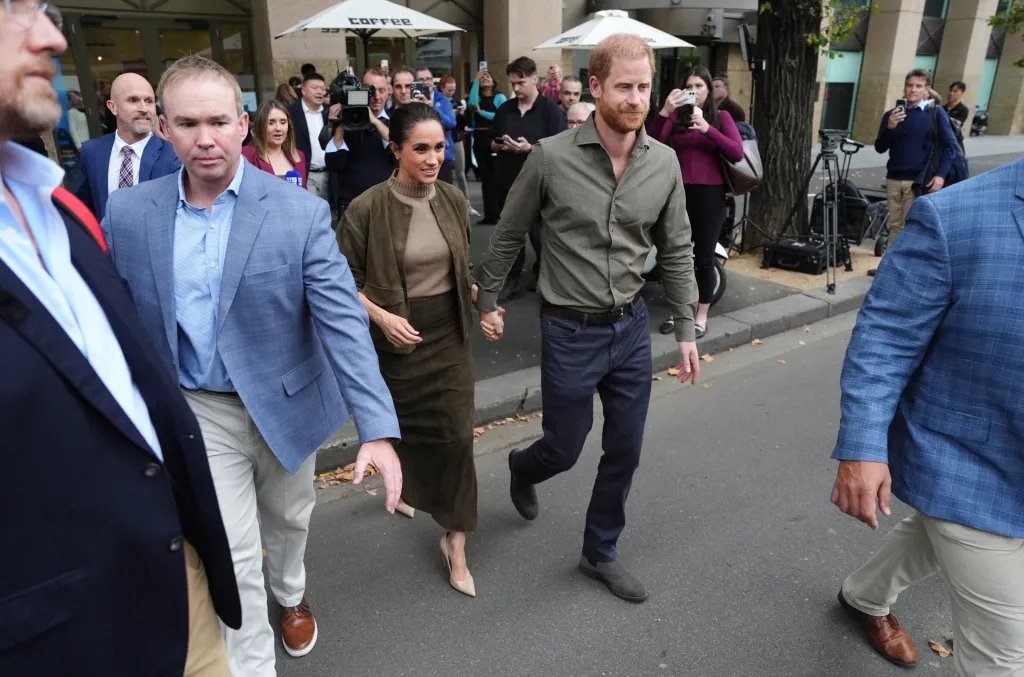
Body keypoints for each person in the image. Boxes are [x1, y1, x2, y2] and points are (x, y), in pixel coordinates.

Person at [100, 55, 403, 676]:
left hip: (288, 401)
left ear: (243, 125)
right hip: (200, 410)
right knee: (232, 554)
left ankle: (291, 593)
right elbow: (115, 322)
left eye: (217, 121)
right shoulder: (129, 216)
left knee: (291, 521)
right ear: (163, 127)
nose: (204, 138)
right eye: (187, 123)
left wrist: (377, 428)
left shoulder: (299, 212)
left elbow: (343, 320)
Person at [0, 6, 240, 675]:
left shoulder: (54, 205)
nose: (51, 37)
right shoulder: (105, 193)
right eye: (11, 11)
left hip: (176, 584)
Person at [474, 33, 700, 604]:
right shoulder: (551, 157)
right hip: (569, 330)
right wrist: (487, 299)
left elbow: (676, 249)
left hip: (630, 330)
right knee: (565, 446)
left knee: (625, 447)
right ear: (595, 86)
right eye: (623, 86)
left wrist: (686, 330)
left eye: (644, 87)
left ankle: (600, 551)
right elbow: (509, 232)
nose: (635, 98)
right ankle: (524, 467)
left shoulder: (665, 163)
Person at [830, 158, 1024, 674]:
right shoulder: (953, 217)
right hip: (969, 462)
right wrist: (862, 445)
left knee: (931, 536)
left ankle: (863, 597)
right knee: (1004, 660)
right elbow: (885, 337)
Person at [338, 102, 491, 598]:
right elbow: (340, 282)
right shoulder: (366, 208)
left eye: (440, 147)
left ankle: (456, 540)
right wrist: (382, 317)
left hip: (448, 333)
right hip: (396, 338)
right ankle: (405, 486)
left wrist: (483, 305)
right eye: (420, 148)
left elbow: (462, 268)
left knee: (456, 436)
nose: (432, 158)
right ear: (396, 149)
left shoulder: (450, 197)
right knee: (404, 429)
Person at [648, 66, 743, 339]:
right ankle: (679, 311)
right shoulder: (676, 116)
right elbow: (651, 144)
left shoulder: (720, 117)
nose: (694, 91)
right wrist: (665, 111)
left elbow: (736, 152)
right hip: (676, 194)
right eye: (689, 86)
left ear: (709, 90)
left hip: (709, 195)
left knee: (702, 258)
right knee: (675, 258)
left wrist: (707, 129)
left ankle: (700, 316)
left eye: (699, 86)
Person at [490, 56, 567, 301]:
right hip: (507, 180)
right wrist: (501, 145)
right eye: (512, 83)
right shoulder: (505, 109)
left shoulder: (550, 110)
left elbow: (560, 148)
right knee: (510, 235)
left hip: (539, 183)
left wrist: (529, 149)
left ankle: (543, 275)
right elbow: (490, 140)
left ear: (535, 78)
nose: (515, 88)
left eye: (521, 82)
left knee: (541, 235)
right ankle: (512, 279)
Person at [870, 68, 958, 274]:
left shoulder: (935, 113)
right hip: (893, 177)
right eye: (910, 85)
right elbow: (880, 147)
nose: (913, 90)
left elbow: (950, 146)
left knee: (911, 227)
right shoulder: (892, 115)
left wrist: (940, 176)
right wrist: (890, 127)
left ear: (926, 90)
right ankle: (890, 268)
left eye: (918, 86)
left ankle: (903, 270)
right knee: (894, 225)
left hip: (918, 180)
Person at [72, 72, 179, 218]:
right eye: (133, 100)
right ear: (112, 107)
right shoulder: (92, 152)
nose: (144, 108)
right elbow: (81, 209)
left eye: (149, 101)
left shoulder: (173, 155)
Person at [322, 67, 393, 220]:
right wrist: (340, 124)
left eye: (382, 90)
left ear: (388, 92)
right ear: (359, 90)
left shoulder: (395, 120)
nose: (377, 96)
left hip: (386, 204)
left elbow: (397, 147)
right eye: (371, 91)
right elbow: (334, 164)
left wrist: (373, 120)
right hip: (351, 205)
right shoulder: (345, 121)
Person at [467, 68, 507, 224]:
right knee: (485, 178)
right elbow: (471, 104)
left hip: (493, 138)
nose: (485, 79)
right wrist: (476, 80)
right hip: (479, 138)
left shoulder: (499, 97)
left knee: (496, 177)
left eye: (487, 76)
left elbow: (500, 115)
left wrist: (481, 112)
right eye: (482, 78)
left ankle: (499, 212)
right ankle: (490, 214)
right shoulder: (477, 97)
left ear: (493, 81)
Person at [241, 100, 307, 187]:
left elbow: (304, 194)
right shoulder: (245, 155)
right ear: (260, 126)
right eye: (271, 123)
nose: (278, 128)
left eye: (283, 122)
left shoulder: (299, 155)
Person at [287, 72, 330, 198]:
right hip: (306, 173)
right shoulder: (291, 113)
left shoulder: (330, 111)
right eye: (315, 88)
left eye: (322, 89)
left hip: (331, 175)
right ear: (304, 91)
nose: (319, 92)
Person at [415, 66, 456, 184]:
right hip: (419, 157)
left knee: (442, 196)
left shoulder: (443, 100)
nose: (425, 82)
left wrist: (432, 107)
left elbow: (451, 123)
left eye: (428, 78)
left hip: (442, 157)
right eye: (421, 79)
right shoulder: (411, 100)